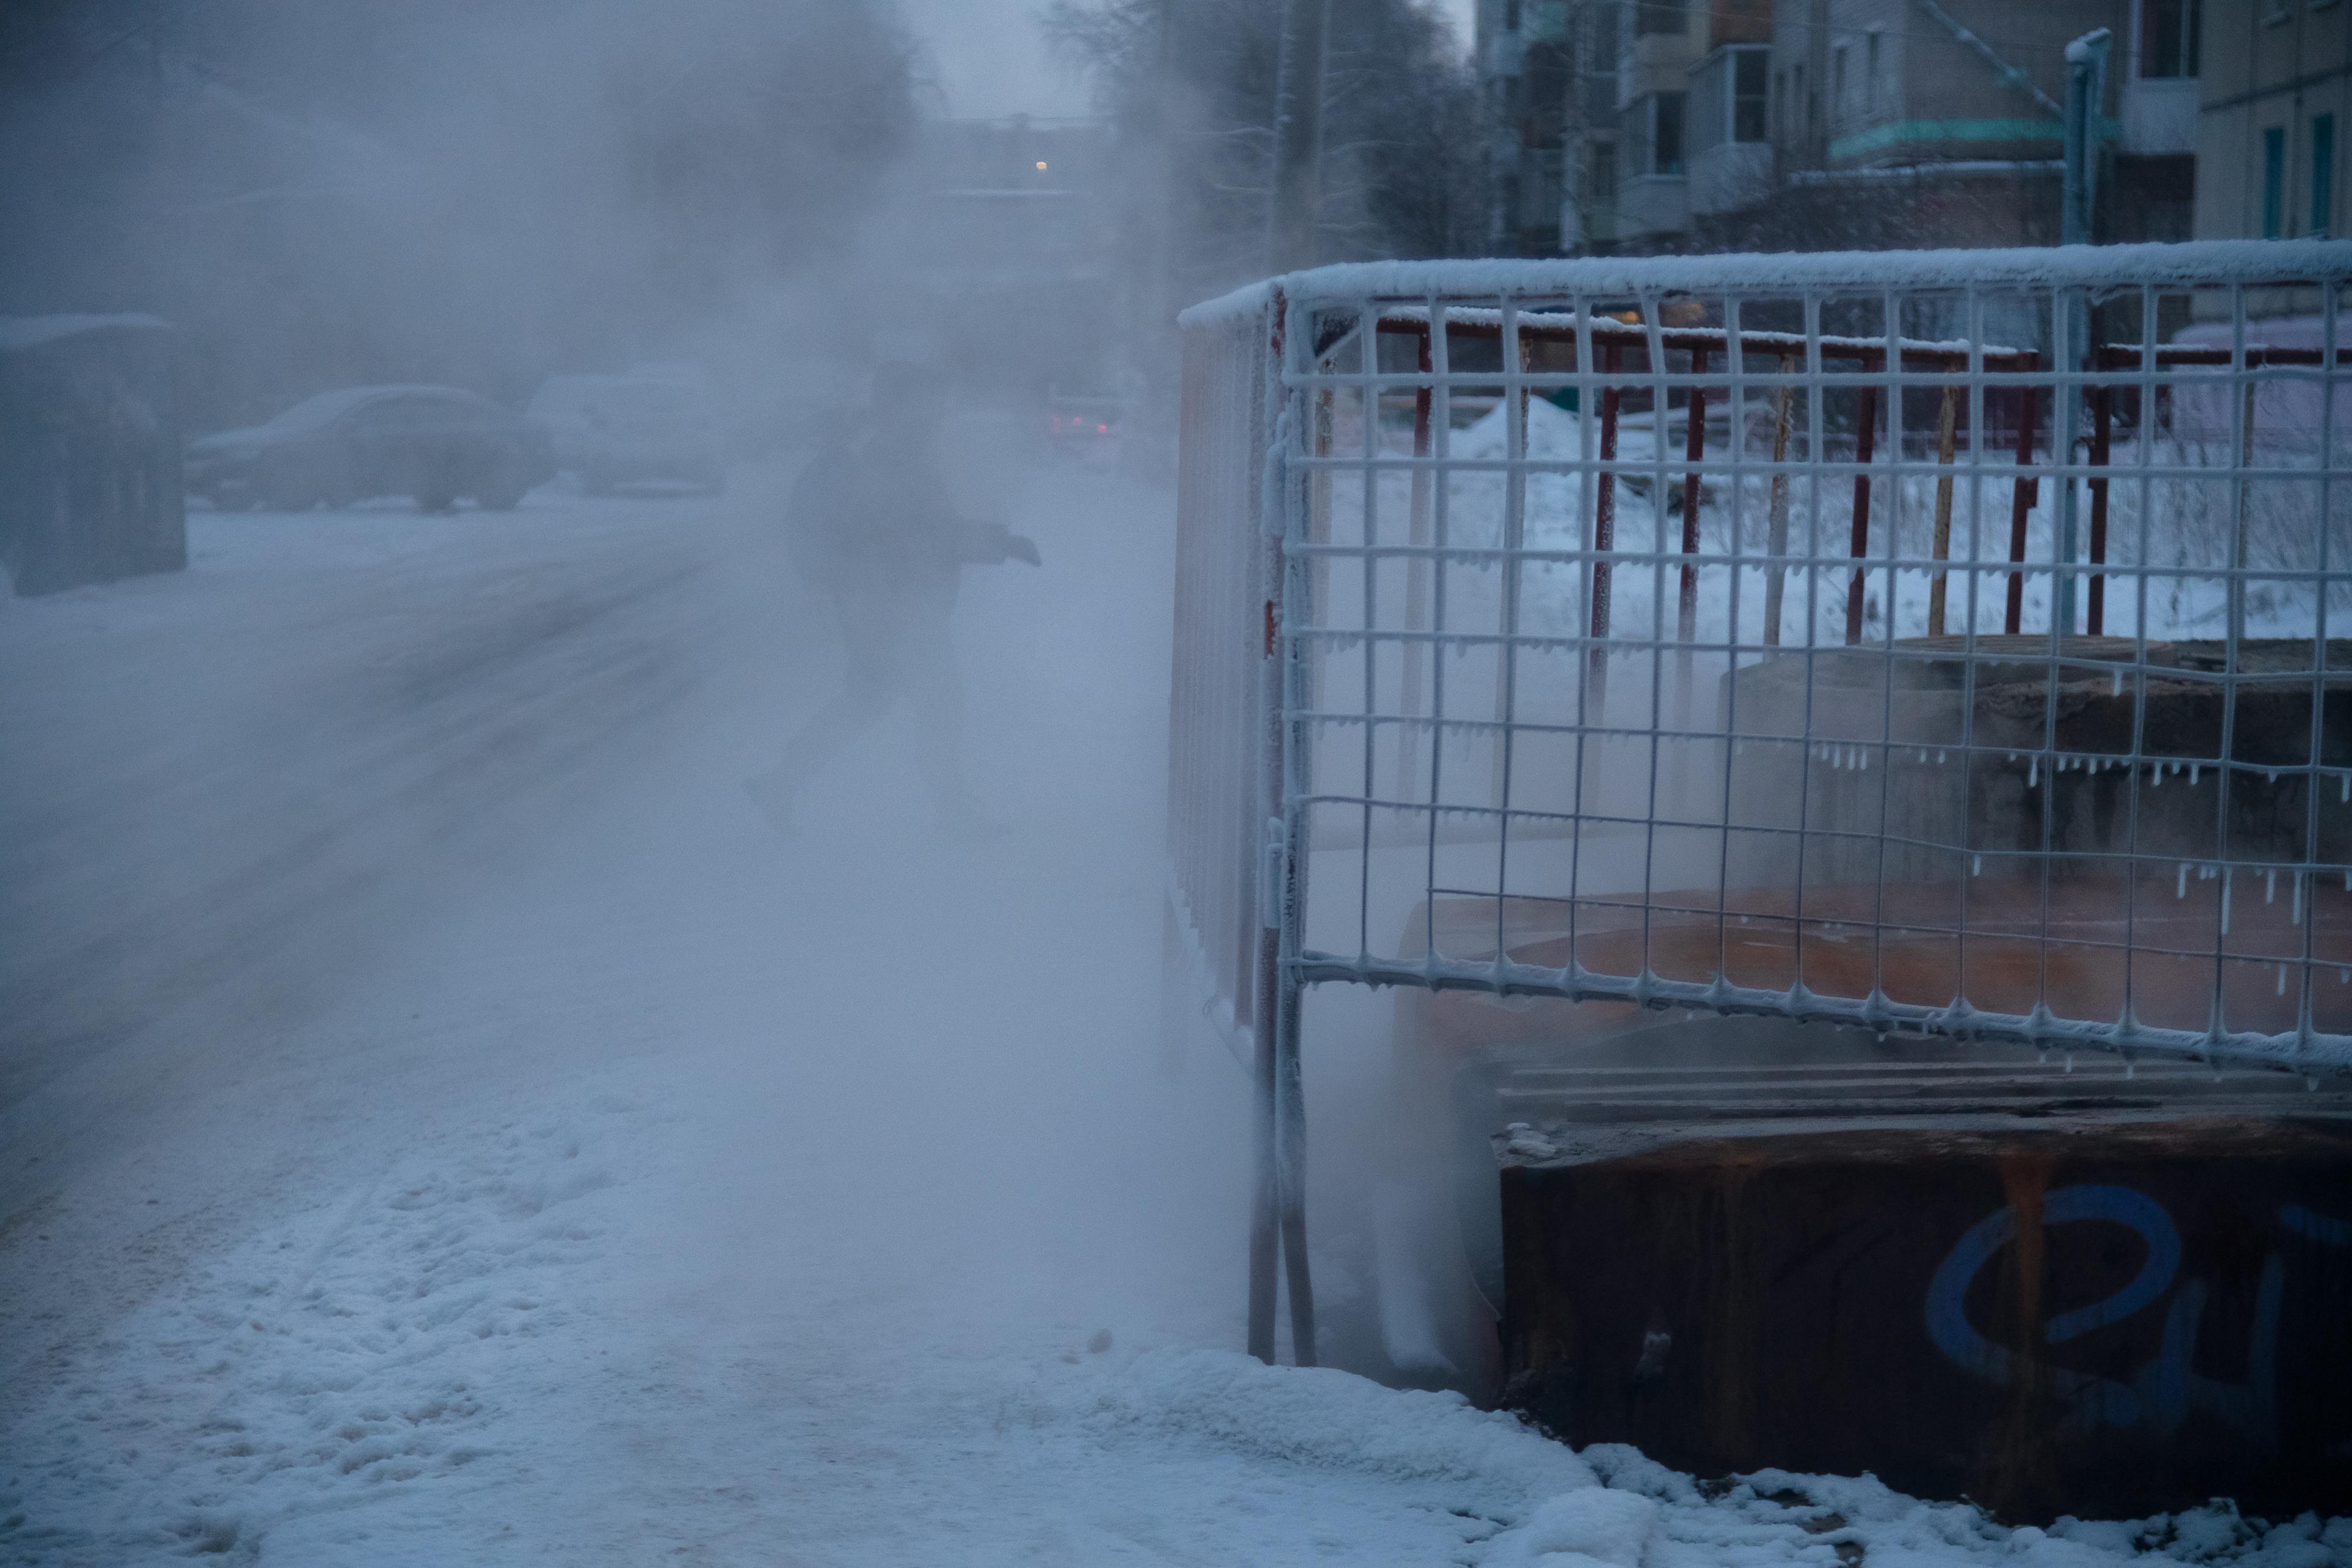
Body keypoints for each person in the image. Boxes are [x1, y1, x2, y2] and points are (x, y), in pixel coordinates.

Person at [747, 364, 1041, 838]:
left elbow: (928, 532)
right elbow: (927, 535)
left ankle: (783, 782)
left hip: (884, 604)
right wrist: (1002, 544)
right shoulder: (893, 461)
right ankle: (952, 813)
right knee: (937, 702)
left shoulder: (900, 457)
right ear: (901, 405)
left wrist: (999, 543)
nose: (938, 411)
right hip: (894, 606)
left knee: (869, 701)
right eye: (929, 400)